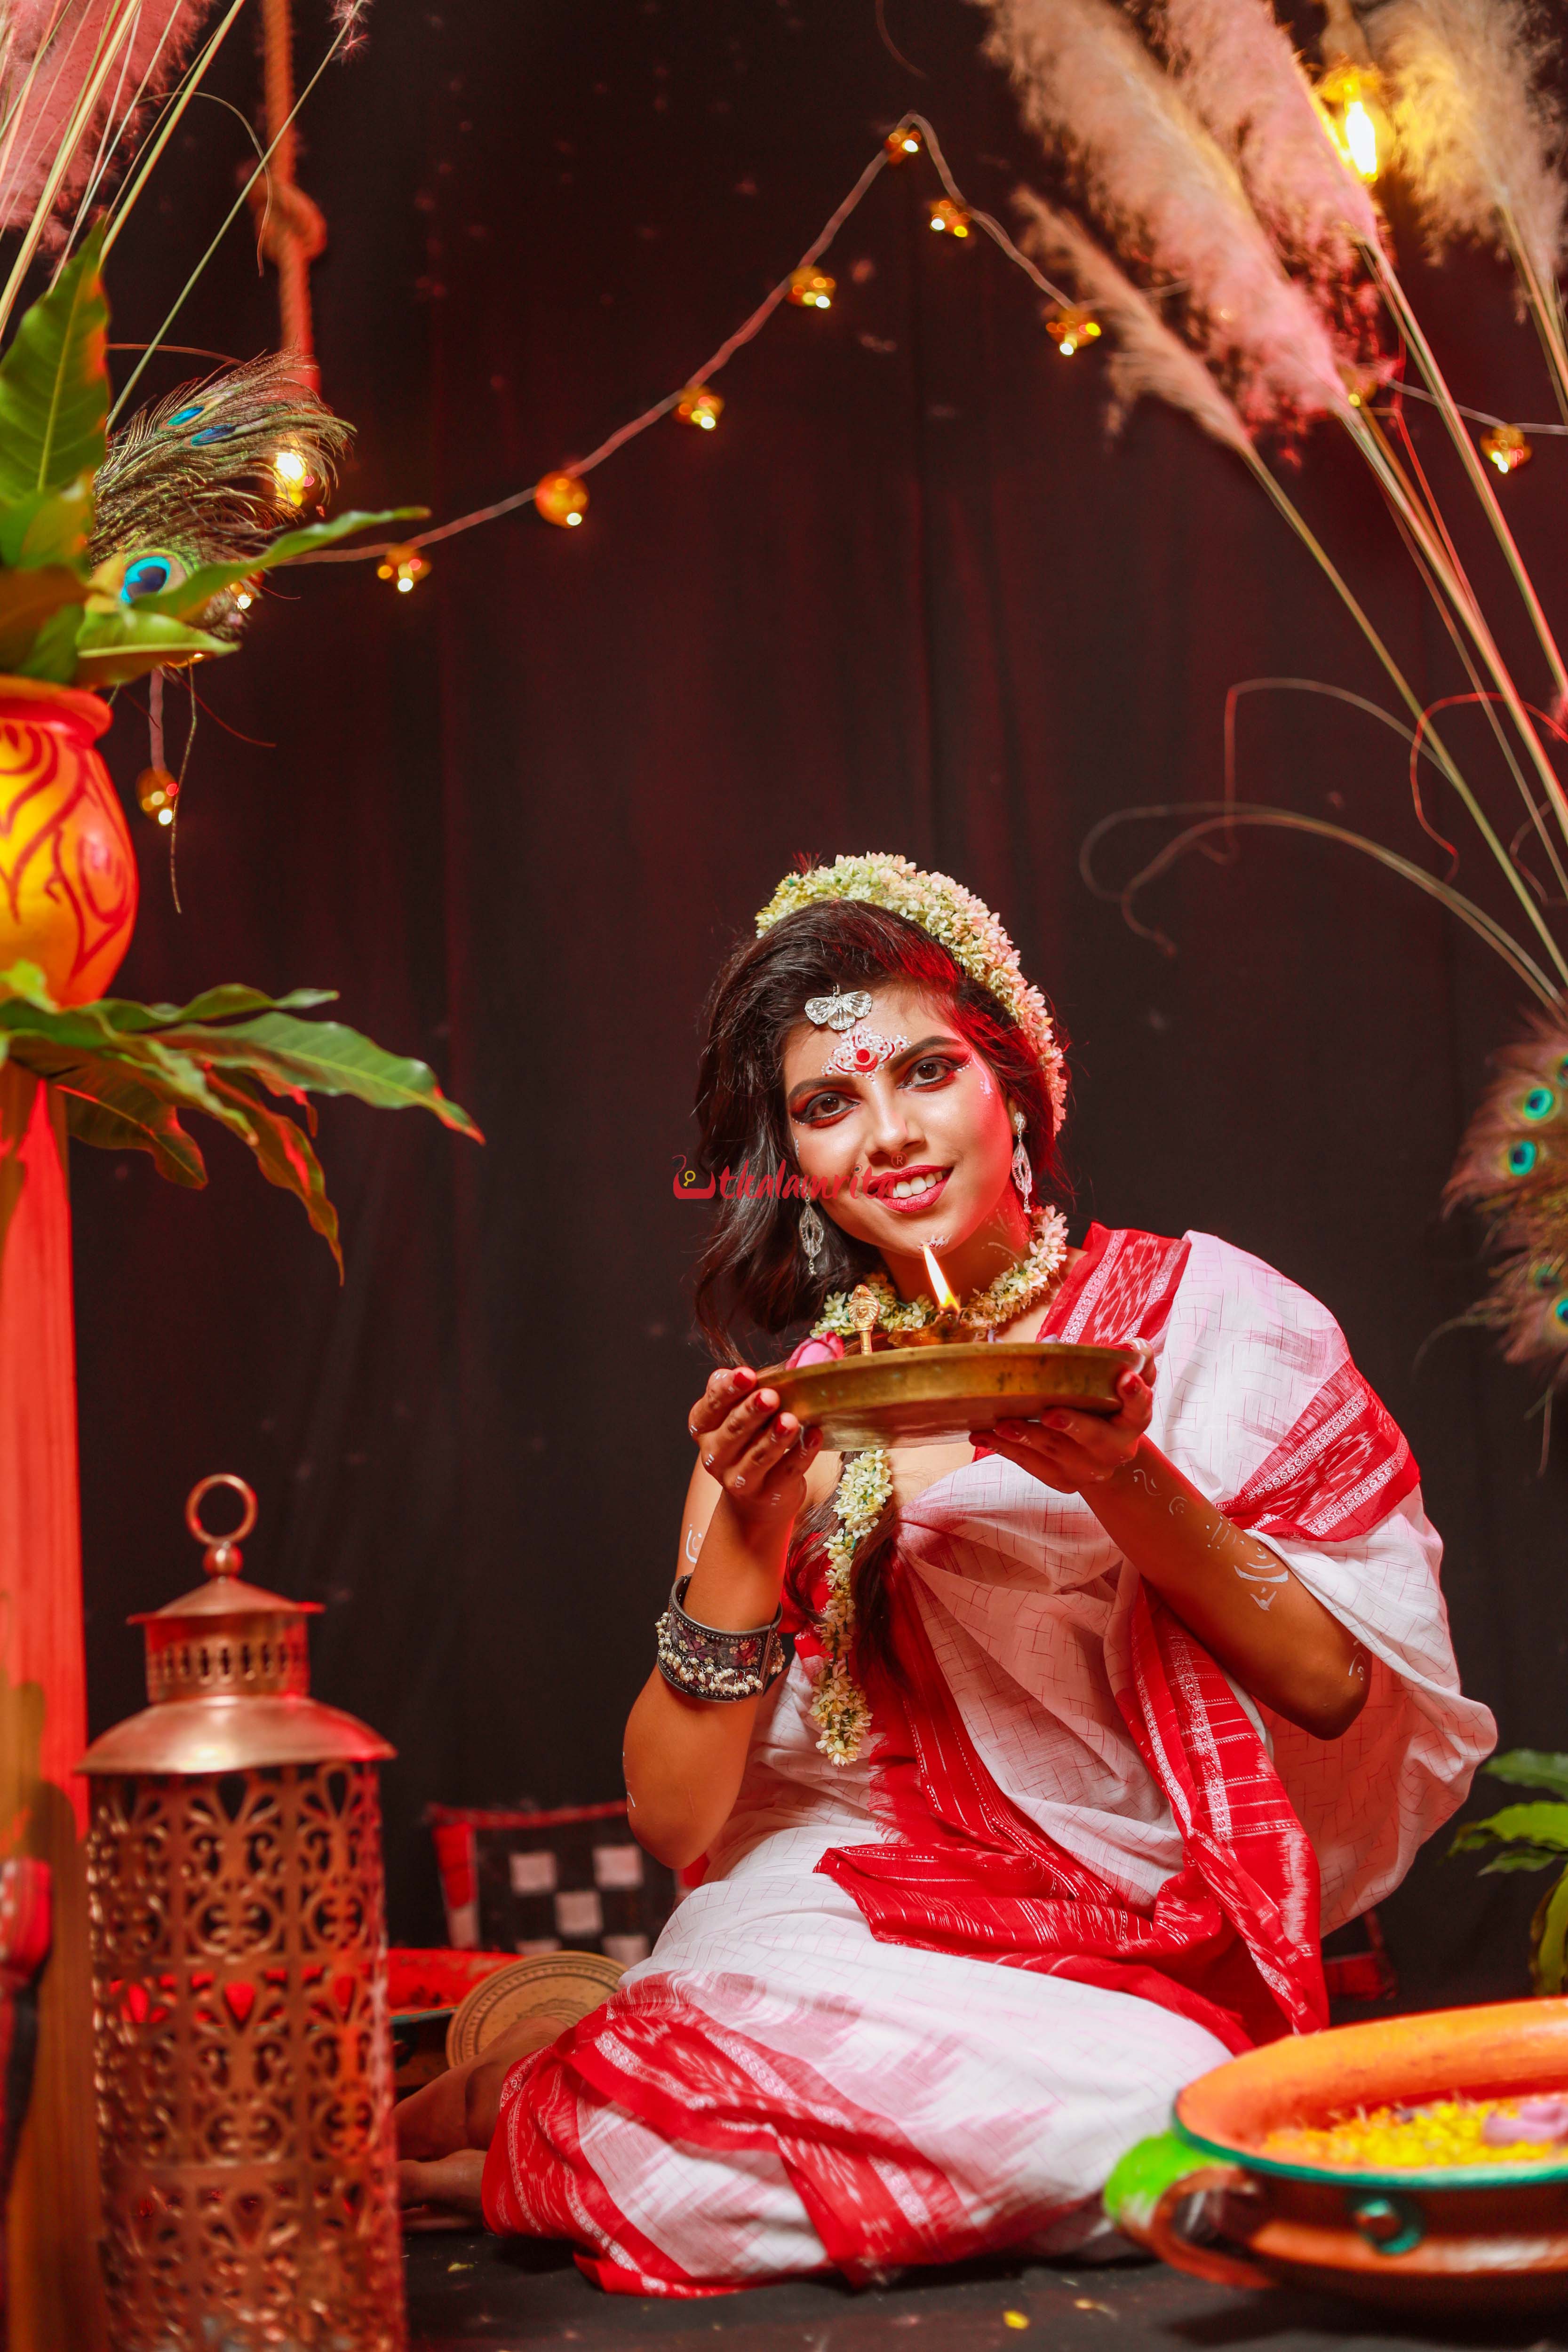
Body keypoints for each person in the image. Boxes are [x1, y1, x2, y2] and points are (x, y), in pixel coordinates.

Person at [397, 852, 1494, 2294]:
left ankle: (570, 2120)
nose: (890, 1136)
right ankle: (608, 2109)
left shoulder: (1202, 1322)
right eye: (829, 1105)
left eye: (926, 1072)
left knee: (1155, 2105)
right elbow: (678, 1818)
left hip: (1129, 1931)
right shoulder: (789, 1412)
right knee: (1093, 2143)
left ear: (1016, 1083)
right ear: (795, 1159)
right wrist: (746, 1533)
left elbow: (1334, 1686)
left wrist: (1125, 1475)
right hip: (837, 1904)